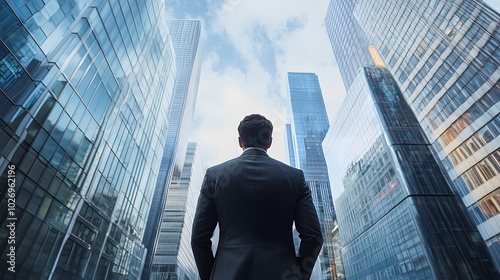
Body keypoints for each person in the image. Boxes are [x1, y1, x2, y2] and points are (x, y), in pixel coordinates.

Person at [191, 114, 323, 280]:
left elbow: (199, 238)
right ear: (269, 142)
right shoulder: (295, 178)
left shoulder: (214, 176)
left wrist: (213, 275)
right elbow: (313, 237)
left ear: (240, 141)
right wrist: (299, 274)